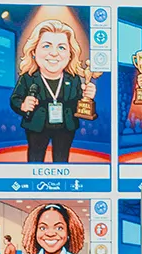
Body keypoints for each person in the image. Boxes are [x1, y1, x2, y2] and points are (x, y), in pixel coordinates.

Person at [9, 19, 95, 164]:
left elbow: (77, 106)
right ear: (34, 51)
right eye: (47, 46)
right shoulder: (28, 78)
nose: (54, 53)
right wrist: (23, 105)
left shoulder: (73, 79)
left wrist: (87, 98)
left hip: (65, 128)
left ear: (70, 55)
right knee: (35, 161)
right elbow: (15, 99)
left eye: (61, 47)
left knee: (62, 161)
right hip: (36, 127)